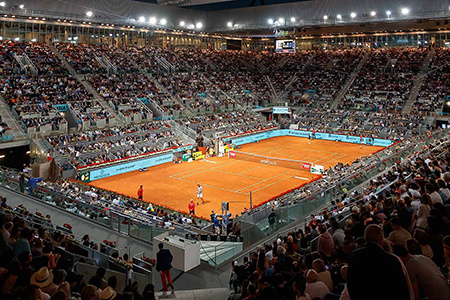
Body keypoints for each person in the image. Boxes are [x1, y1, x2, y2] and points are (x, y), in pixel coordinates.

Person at [347, 224, 412, 300]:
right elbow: (401, 290)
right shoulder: (391, 259)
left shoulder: (354, 256)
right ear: (381, 237)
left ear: (365, 237)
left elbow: (351, 286)